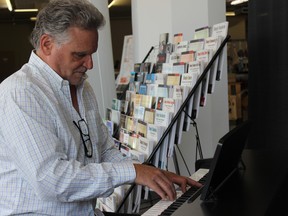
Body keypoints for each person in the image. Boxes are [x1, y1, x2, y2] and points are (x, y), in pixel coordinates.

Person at [0, 0, 201, 215]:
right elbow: (52, 179)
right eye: (79, 55)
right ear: (47, 44)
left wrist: (152, 174)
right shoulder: (20, 92)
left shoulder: (82, 88)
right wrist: (133, 172)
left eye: (92, 54)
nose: (90, 64)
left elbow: (104, 150)